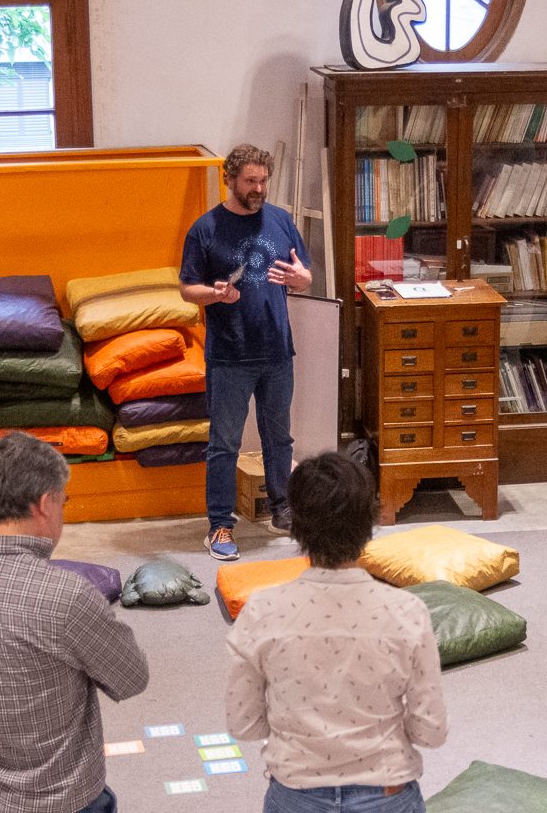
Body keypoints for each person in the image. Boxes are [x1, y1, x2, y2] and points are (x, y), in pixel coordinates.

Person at [0, 432, 148, 813]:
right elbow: (131, 677)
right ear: (45, 504)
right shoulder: (68, 595)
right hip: (58, 799)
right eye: (64, 501)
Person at [225, 452, 445, 812]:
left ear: (295, 524)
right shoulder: (407, 612)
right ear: (369, 522)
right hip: (386, 792)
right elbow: (430, 730)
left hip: (295, 793)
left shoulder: (262, 612)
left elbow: (244, 723)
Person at [180, 144, 312, 561]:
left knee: (280, 438)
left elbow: (305, 276)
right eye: (251, 181)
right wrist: (215, 294)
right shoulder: (205, 229)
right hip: (230, 355)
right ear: (230, 180)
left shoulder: (281, 221)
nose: (259, 189)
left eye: (263, 180)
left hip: (277, 350)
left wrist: (299, 277)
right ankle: (219, 525)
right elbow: (187, 289)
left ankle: (282, 509)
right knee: (224, 444)